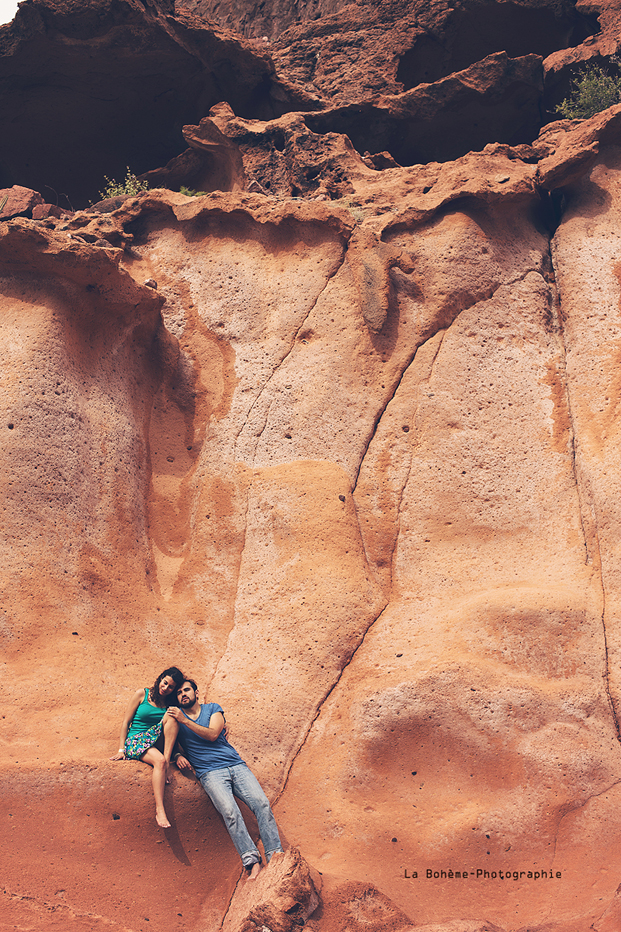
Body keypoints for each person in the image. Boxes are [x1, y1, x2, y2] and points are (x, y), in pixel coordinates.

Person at [167, 679, 284, 879]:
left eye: (186, 690)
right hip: (209, 773)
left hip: (235, 765)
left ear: (196, 692)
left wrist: (185, 720)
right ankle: (252, 862)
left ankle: (275, 857)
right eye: (178, 692)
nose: (183, 694)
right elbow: (168, 741)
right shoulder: (174, 718)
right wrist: (177, 756)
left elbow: (213, 734)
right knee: (230, 813)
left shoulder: (213, 708)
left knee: (262, 804)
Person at [110, 666, 184, 828]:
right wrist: (121, 750)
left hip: (155, 739)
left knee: (172, 716)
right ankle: (160, 809)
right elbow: (126, 722)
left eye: (170, 687)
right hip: (136, 740)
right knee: (159, 762)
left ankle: (166, 759)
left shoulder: (169, 704)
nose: (165, 688)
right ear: (160, 678)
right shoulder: (142, 694)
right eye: (164, 683)